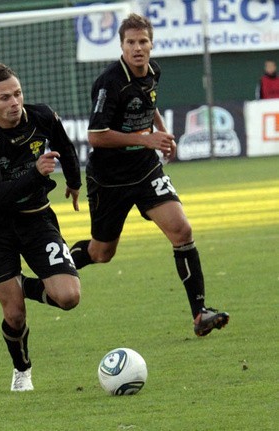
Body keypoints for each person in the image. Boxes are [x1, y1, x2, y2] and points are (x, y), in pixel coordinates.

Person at [68, 13, 229, 337]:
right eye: (131, 42)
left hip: (144, 169)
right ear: (122, 45)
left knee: (181, 230)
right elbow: (96, 135)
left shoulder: (153, 71)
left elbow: (148, 102)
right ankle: (56, 265)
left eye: (143, 41)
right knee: (102, 253)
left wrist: (164, 133)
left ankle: (200, 314)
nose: (138, 48)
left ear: (152, 44)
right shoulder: (109, 82)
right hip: (110, 178)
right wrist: (146, 138)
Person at [0, 63, 82, 392]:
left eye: (17, 93)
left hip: (37, 217)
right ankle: (22, 370)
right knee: (15, 314)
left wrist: (74, 182)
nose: (14, 102)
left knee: (69, 298)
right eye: (5, 97)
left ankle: (20, 282)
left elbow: (65, 146)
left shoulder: (42, 116)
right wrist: (35, 173)